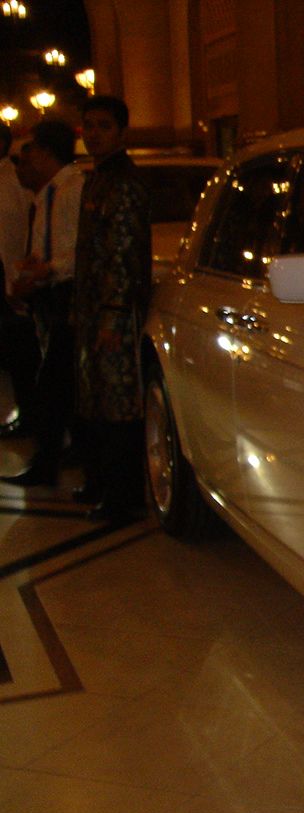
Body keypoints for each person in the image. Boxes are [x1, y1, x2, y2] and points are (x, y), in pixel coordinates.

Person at [71, 95, 151, 521]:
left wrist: (113, 314)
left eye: (104, 125)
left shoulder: (123, 183)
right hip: (92, 310)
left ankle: (124, 495)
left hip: (113, 314)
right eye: (89, 126)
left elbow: (122, 254)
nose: (95, 134)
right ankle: (101, 481)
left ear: (122, 132)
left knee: (118, 404)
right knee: (95, 401)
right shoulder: (97, 178)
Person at [2, 120, 83, 487]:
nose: (25, 158)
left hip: (66, 295)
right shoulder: (46, 193)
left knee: (52, 384)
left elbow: (75, 251)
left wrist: (45, 269)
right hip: (47, 294)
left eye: (30, 150)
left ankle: (49, 460)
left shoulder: (71, 190)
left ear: (47, 152)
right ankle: (64, 453)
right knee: (55, 382)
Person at [0, 125, 35, 437]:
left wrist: (13, 282)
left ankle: (29, 417)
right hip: (11, 280)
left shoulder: (10, 182)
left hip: (11, 282)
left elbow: (11, 238)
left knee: (20, 357)